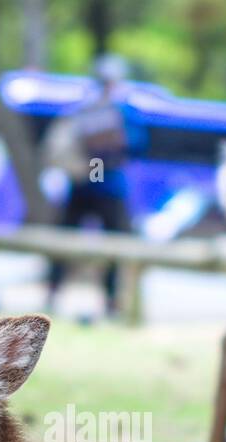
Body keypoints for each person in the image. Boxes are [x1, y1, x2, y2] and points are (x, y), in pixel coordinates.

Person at [43, 54, 141, 319]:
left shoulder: (86, 108)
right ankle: (99, 301)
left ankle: (95, 299)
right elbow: (135, 145)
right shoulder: (115, 110)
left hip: (89, 185)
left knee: (96, 243)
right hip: (99, 187)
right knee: (84, 243)